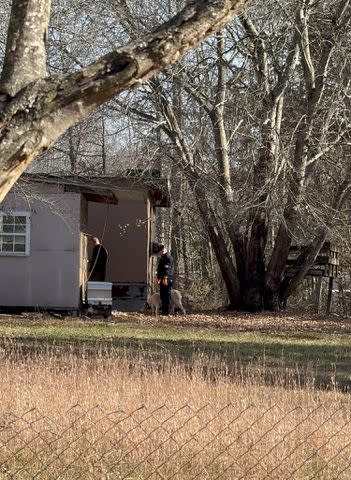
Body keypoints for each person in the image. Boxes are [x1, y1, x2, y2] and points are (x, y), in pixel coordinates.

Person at [153, 242, 174, 315]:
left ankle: (166, 312)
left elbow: (167, 270)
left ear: (161, 251)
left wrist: (165, 278)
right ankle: (164, 310)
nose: (158, 254)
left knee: (166, 296)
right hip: (162, 279)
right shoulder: (163, 257)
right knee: (162, 295)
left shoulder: (167, 257)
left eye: (158, 253)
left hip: (167, 279)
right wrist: (159, 278)